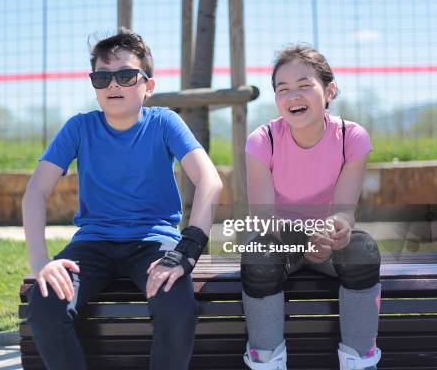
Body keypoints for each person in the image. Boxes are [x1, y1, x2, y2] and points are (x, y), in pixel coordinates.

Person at [22, 28, 223, 370]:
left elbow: (210, 181)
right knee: (44, 304)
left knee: (176, 306)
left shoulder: (164, 123)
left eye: (127, 75)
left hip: (154, 242)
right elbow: (35, 192)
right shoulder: (79, 128)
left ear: (149, 86)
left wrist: (186, 251)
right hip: (92, 244)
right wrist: (42, 263)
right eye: (102, 77)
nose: (113, 85)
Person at [241, 44, 381, 370]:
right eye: (283, 89)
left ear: (329, 90)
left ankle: (359, 361)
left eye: (305, 85)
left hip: (327, 244)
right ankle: (266, 361)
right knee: (258, 254)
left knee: (363, 250)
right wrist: (303, 241)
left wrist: (337, 230)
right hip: (278, 242)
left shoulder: (352, 137)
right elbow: (262, 218)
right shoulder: (263, 140)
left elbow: (345, 211)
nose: (293, 96)